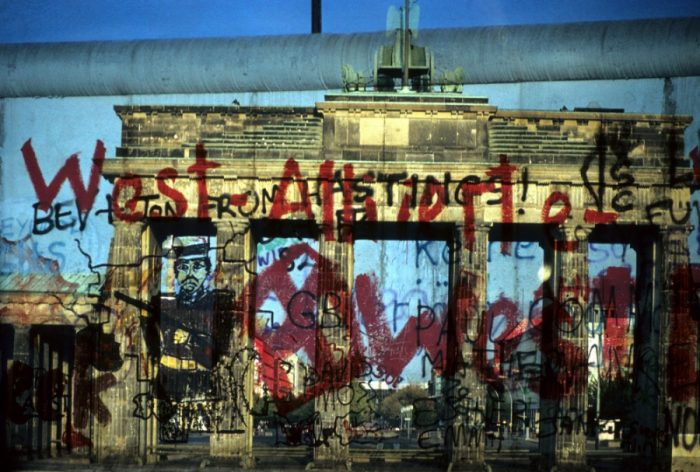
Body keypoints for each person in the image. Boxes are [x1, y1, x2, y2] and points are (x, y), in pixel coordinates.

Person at [159, 237, 215, 402]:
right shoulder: (166, 305)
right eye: (183, 268)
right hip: (168, 381)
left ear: (207, 271)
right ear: (175, 272)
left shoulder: (211, 306)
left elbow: (217, 353)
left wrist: (191, 339)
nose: (189, 275)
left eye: (197, 267)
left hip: (200, 383)